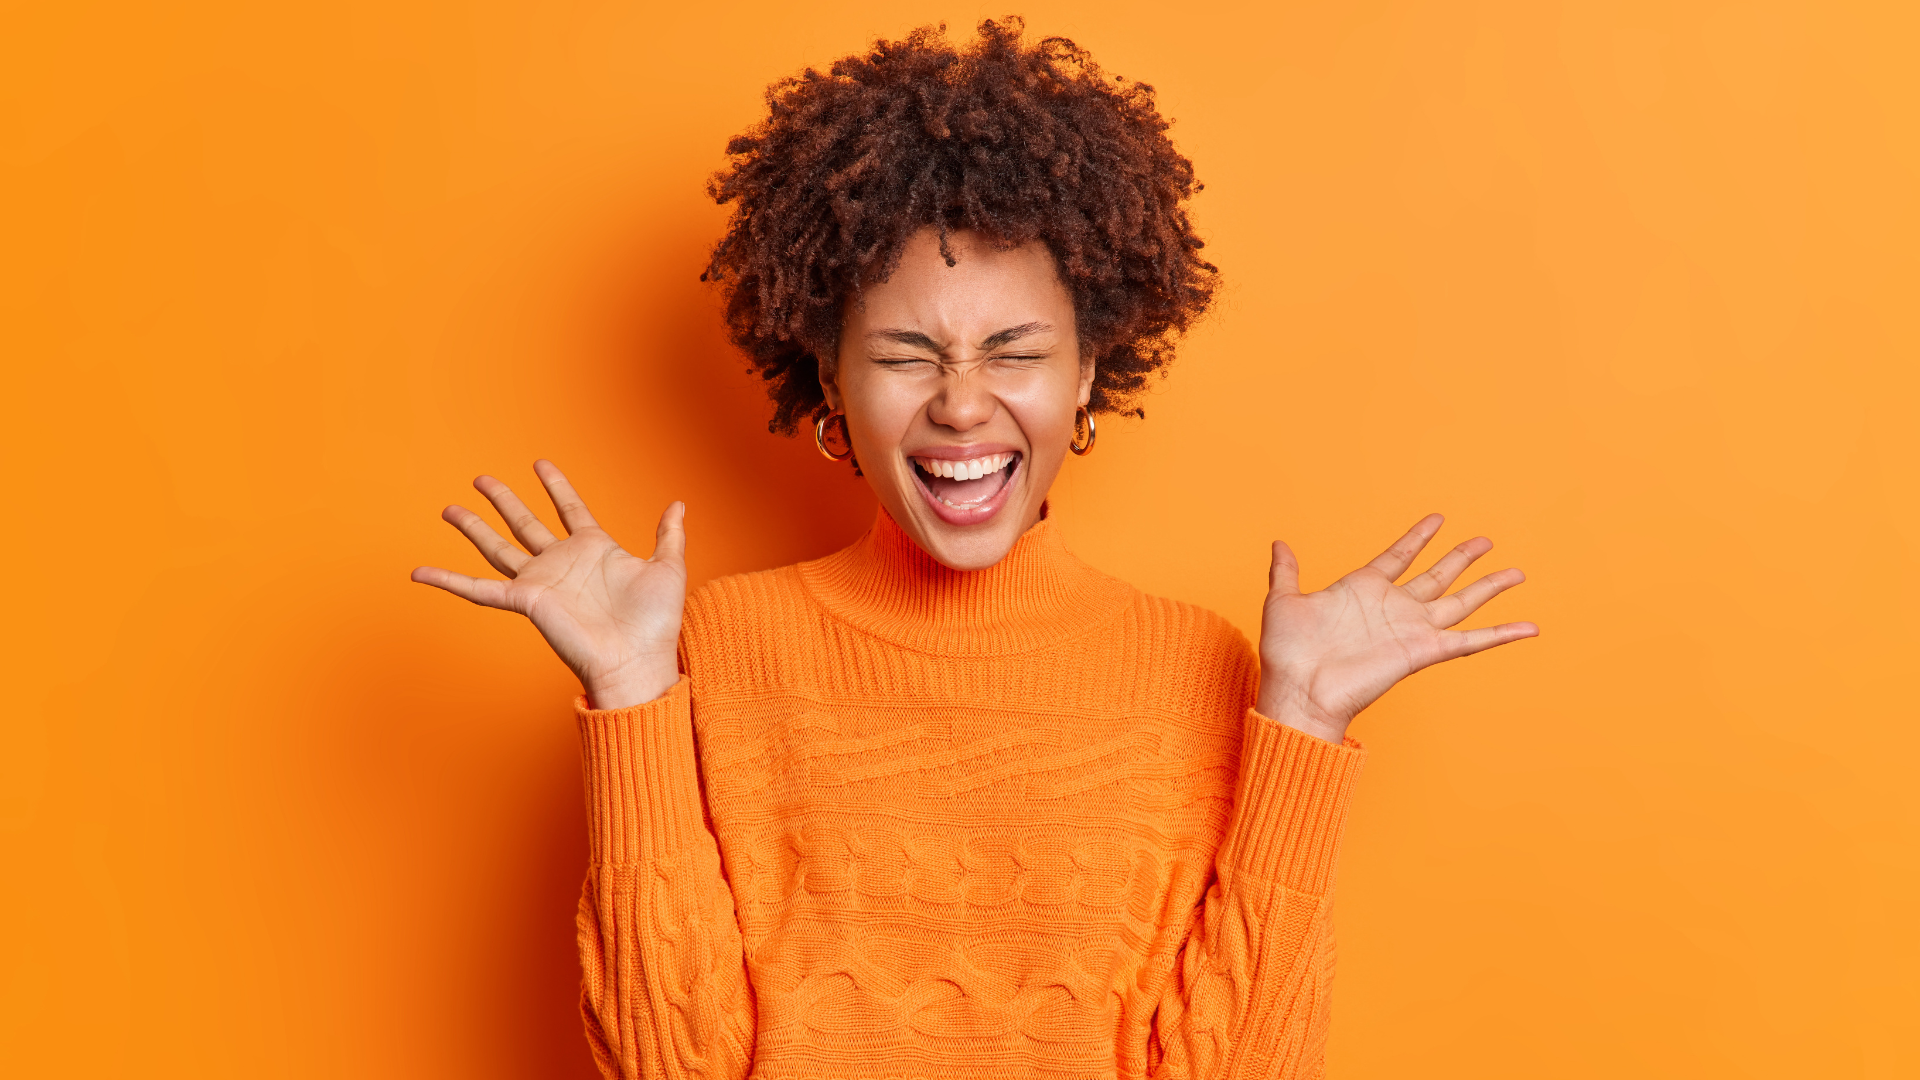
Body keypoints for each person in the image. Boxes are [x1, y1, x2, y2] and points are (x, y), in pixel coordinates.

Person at [412, 18, 1535, 1079]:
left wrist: (1302, 727)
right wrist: (630, 696)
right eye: (905, 354)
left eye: (1015, 351)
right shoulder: (709, 650)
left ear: (1089, 371)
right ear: (832, 383)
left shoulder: (1197, 669)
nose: (961, 405)